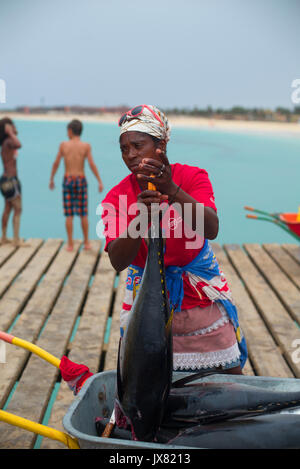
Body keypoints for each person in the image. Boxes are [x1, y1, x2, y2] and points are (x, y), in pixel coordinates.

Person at [101, 104, 247, 375]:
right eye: (124, 149)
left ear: (162, 145)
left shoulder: (192, 177)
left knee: (228, 380)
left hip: (199, 300)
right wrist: (140, 218)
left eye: (138, 145)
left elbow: (211, 228)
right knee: (150, 388)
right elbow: (119, 261)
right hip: (147, 308)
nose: (130, 155)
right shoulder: (117, 197)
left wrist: (171, 189)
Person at [49, 119, 104, 251]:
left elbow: (56, 163)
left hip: (68, 179)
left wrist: (52, 178)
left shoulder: (63, 145)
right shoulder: (86, 146)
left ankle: (70, 244)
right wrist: (99, 181)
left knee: (69, 214)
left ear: (70, 131)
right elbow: (91, 164)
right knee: (83, 213)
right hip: (81, 179)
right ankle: (86, 243)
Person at [0, 117, 25, 247]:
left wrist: (12, 132)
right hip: (11, 179)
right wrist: (10, 132)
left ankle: (3, 237)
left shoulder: (5, 143)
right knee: (18, 208)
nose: (15, 127)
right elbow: (19, 144)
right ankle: (16, 239)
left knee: (8, 208)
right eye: (13, 125)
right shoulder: (9, 141)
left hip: (5, 179)